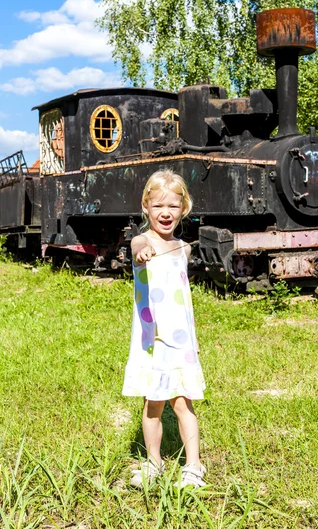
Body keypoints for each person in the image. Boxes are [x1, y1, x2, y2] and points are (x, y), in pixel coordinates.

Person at [122, 169, 206, 488]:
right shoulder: (142, 241)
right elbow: (138, 249)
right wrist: (143, 254)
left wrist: (194, 338)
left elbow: (186, 300)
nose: (165, 213)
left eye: (172, 206)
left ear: (183, 208)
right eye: (158, 206)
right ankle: (154, 463)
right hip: (152, 341)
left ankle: (194, 466)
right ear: (146, 207)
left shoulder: (184, 249)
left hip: (180, 339)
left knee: (183, 403)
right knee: (152, 404)